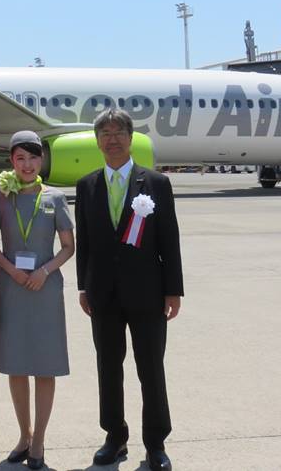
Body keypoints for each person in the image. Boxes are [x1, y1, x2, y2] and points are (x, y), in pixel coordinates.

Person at [75, 109, 184, 471]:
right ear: (97, 141)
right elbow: (85, 242)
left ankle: (155, 443)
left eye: (119, 132)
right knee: (108, 367)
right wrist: (83, 286)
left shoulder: (156, 183)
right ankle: (114, 436)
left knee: (151, 368)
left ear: (130, 137)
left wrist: (173, 290)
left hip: (148, 293)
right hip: (103, 294)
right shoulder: (87, 185)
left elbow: (169, 240)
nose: (112, 139)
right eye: (105, 133)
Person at [0, 131, 75, 470]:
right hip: (12, 288)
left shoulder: (55, 198)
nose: (27, 164)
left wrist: (44, 271)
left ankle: (39, 441)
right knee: (17, 363)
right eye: (20, 158)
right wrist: (11, 270)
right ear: (11, 161)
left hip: (44, 288)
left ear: (42, 160)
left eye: (33, 157)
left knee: (45, 365)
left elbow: (68, 246)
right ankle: (24, 435)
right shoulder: (1, 197)